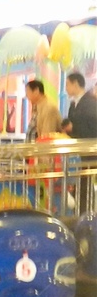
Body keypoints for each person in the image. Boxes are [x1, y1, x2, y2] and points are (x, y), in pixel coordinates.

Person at [63, 71, 97, 212]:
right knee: (80, 185)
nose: (66, 88)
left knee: (85, 185)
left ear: (76, 84)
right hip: (77, 152)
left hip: (88, 153)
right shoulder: (73, 104)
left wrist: (74, 127)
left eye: (67, 84)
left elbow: (93, 127)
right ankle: (81, 212)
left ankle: (86, 213)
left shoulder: (90, 103)